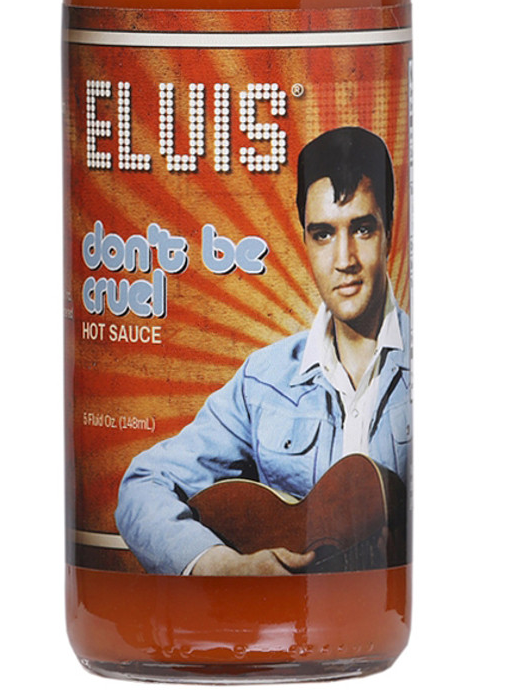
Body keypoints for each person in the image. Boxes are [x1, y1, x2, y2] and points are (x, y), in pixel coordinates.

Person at [114, 126, 411, 576]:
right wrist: (220, 566)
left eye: (362, 229)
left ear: (389, 230)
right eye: (323, 234)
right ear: (305, 241)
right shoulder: (263, 381)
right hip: (282, 617)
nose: (344, 260)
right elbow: (144, 485)